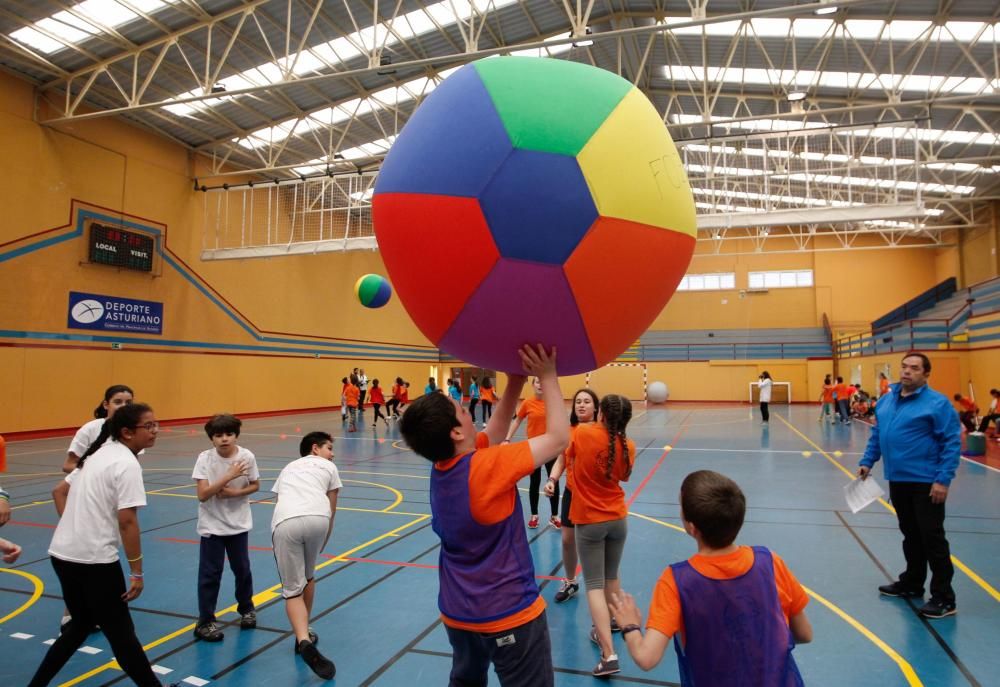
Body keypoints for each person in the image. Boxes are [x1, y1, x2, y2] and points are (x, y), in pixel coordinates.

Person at [398, 344, 569, 687]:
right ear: (457, 432)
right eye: (462, 409)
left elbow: (492, 432)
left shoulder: (444, 466)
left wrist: (516, 381)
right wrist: (548, 376)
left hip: (457, 613)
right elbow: (559, 438)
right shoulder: (488, 467)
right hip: (508, 615)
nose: (467, 411)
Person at [608, 470, 812, 684]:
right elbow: (804, 633)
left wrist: (629, 626)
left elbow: (646, 658)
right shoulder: (770, 562)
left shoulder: (676, 581)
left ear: (692, 527)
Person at [28, 403, 166, 687]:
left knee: (79, 627)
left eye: (156, 425)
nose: (155, 431)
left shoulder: (99, 453)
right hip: (94, 561)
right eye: (148, 426)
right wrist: (137, 572)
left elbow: (60, 490)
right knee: (122, 636)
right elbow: (127, 521)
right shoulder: (125, 464)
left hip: (63, 554)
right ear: (127, 432)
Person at [858, 352, 961, 619]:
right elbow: (878, 435)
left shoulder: (937, 404)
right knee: (911, 535)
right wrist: (868, 461)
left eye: (914, 368)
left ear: (926, 374)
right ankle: (913, 583)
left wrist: (942, 480)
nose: (907, 372)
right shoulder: (886, 400)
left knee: (932, 537)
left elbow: (951, 443)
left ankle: (944, 597)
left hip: (926, 481)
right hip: (899, 480)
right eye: (904, 367)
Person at [564, 393, 636, 677]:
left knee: (593, 585)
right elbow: (625, 477)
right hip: (618, 519)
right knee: (612, 579)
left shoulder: (582, 432)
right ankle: (613, 624)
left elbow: (567, 453)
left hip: (590, 520)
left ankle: (609, 655)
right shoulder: (628, 444)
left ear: (602, 413)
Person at [271, 431, 342, 680]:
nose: (332, 454)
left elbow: (279, 500)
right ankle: (306, 631)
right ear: (315, 448)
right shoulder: (328, 467)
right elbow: (331, 509)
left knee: (292, 589)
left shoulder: (288, 467)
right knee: (308, 576)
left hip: (286, 521)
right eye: (329, 448)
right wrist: (325, 537)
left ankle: (302, 639)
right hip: (318, 520)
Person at [191, 414, 260, 642]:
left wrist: (235, 493)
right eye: (218, 435)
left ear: (236, 435)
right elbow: (203, 495)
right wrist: (228, 476)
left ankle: (247, 609)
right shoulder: (204, 459)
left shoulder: (247, 456)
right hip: (212, 525)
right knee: (210, 574)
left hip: (238, 524)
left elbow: (255, 485)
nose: (224, 439)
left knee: (242, 570)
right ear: (211, 438)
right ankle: (205, 621)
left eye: (229, 434)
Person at [546, 388, 600, 604]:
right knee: (568, 540)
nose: (581, 405)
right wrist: (552, 480)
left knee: (594, 545)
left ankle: (602, 590)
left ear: (596, 407)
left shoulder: (601, 432)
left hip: (594, 496)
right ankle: (570, 581)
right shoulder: (569, 431)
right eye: (578, 401)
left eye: (587, 401)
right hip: (571, 493)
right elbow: (561, 460)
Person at [506, 377, 561, 530]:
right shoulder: (527, 403)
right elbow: (517, 421)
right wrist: (507, 438)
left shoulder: (552, 403)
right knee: (534, 482)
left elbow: (561, 423)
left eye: (543, 382)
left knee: (553, 481)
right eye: (537, 382)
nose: (541, 385)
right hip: (534, 448)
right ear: (533, 385)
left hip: (550, 447)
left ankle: (554, 516)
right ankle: (534, 515)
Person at [64, 384, 135, 473]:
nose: (123, 406)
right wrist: (98, 474)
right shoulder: (90, 429)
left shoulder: (135, 430)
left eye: (128, 403)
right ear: (106, 404)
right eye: (118, 402)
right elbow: (69, 465)